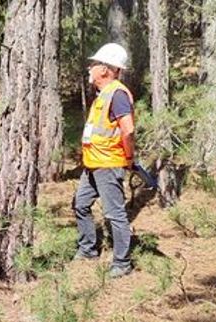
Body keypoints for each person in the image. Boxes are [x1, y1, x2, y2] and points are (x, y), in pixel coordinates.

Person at [73, 43, 136, 279]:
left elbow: (127, 130)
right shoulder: (103, 95)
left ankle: (122, 262)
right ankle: (88, 249)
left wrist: (128, 157)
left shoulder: (117, 94)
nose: (89, 68)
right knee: (80, 204)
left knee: (114, 214)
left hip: (108, 165)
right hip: (93, 164)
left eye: (94, 64)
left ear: (105, 70)